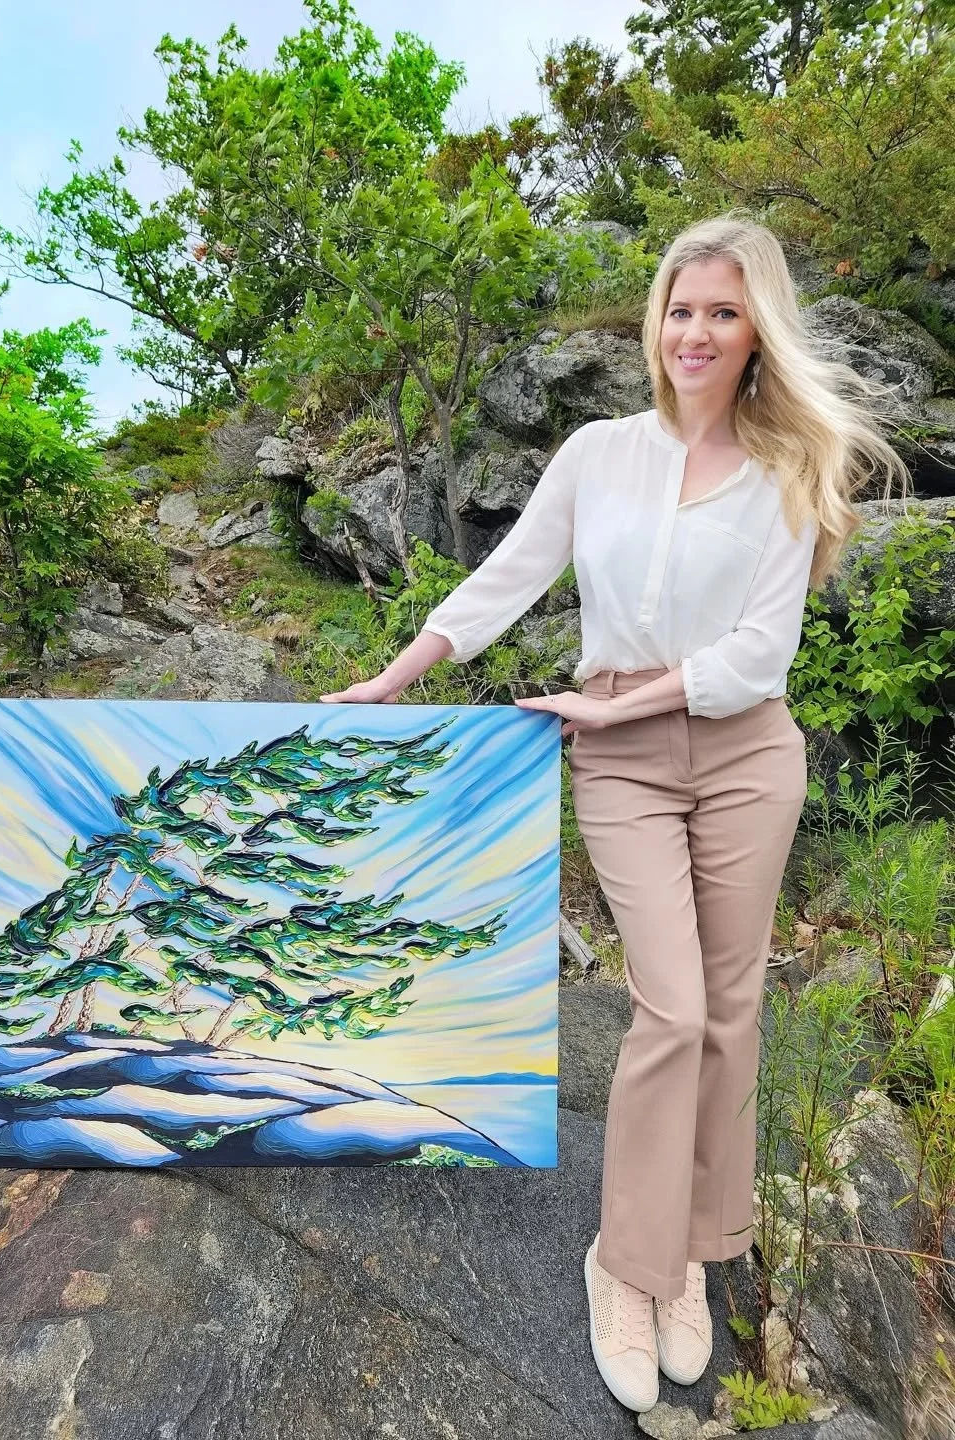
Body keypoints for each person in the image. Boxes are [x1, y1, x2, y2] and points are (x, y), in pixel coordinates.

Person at [320, 212, 911, 1415]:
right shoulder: (598, 452)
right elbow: (507, 578)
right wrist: (396, 676)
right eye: (680, 308)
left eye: (724, 312)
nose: (695, 331)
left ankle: (693, 1250)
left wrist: (629, 702)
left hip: (747, 752)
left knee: (733, 1014)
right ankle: (624, 1262)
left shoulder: (792, 473)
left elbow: (760, 655)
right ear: (657, 321)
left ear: (759, 334)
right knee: (673, 1007)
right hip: (624, 762)